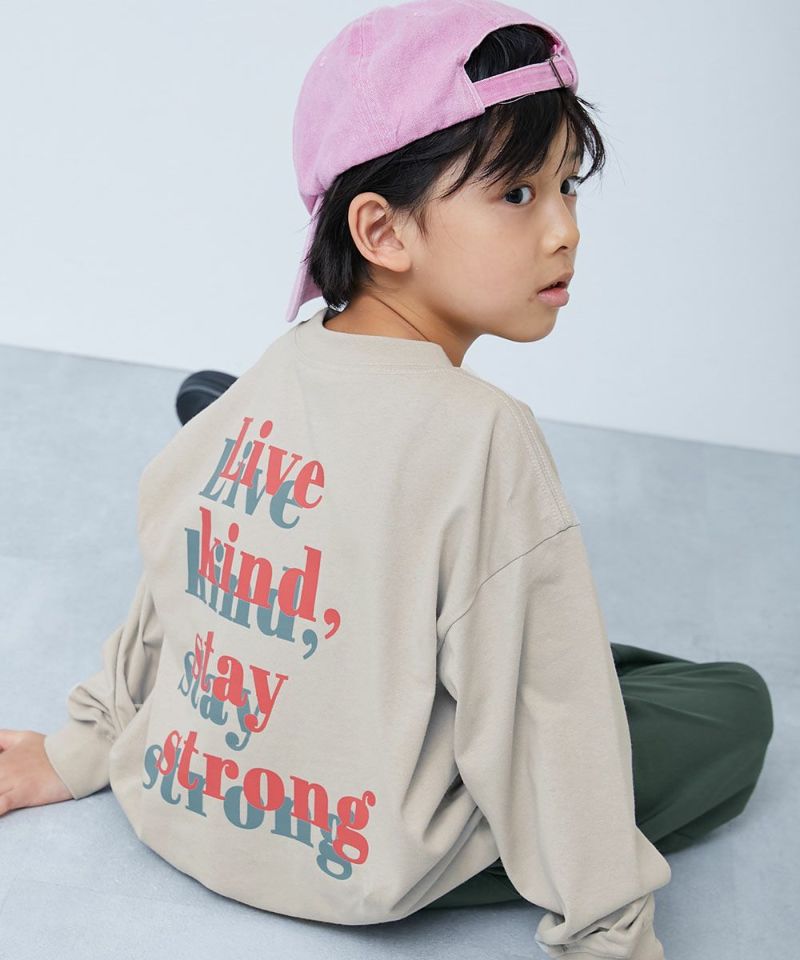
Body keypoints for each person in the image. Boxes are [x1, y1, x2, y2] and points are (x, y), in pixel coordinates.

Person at [0, 2, 773, 957]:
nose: (565, 230)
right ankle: (470, 597)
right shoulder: (486, 435)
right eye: (518, 194)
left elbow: (177, 579)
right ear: (383, 229)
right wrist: (609, 936)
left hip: (177, 798)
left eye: (568, 186)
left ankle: (382, 520)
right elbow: (553, 722)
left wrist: (81, 747)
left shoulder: (275, 367)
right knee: (724, 700)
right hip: (363, 860)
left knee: (489, 619)